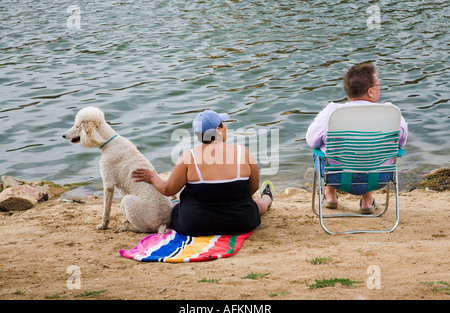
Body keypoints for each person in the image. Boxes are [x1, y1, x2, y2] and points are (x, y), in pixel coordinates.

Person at [131, 110, 274, 236]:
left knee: (176, 206)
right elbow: (253, 187)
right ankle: (267, 198)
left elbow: (167, 190)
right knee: (255, 205)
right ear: (219, 129)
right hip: (242, 222)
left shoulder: (188, 157)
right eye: (224, 124)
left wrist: (152, 177)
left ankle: (177, 203)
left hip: (196, 225)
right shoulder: (243, 152)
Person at [306, 63, 408, 214]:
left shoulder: (331, 112)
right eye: (378, 84)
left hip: (337, 178)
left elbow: (311, 141)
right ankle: (367, 201)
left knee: (320, 151)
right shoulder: (392, 113)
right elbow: (401, 142)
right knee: (370, 152)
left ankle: (330, 195)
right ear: (371, 91)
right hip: (379, 177)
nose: (379, 87)